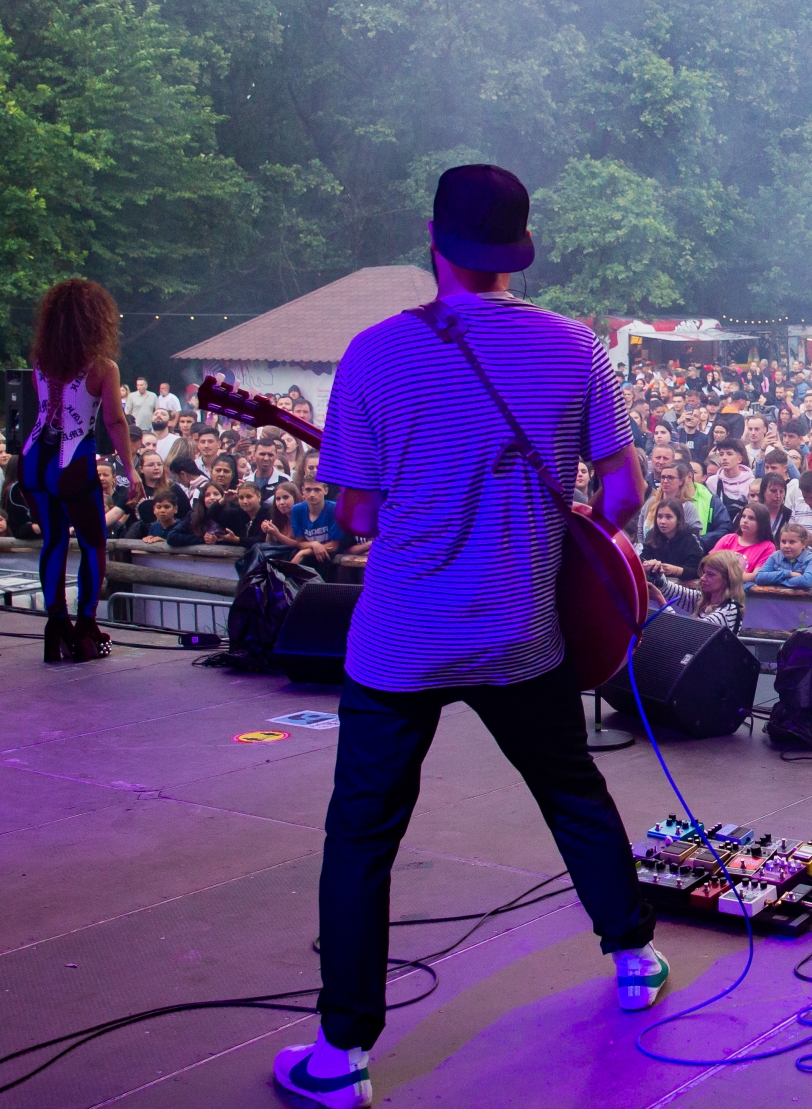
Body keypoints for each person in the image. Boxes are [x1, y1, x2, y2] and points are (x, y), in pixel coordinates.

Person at [280, 164, 661, 1109]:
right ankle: (636, 956)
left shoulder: (372, 354)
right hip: (521, 631)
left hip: (400, 641)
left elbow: (359, 514)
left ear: (433, 236)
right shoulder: (578, 350)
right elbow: (621, 495)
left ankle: (343, 1056)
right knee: (571, 790)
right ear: (519, 249)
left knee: (361, 836)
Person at [20, 279, 134, 663]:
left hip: (34, 459)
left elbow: (43, 409)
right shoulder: (103, 367)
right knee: (92, 544)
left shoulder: (40, 360)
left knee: (53, 542)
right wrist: (129, 470)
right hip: (73, 459)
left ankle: (56, 627)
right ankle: (86, 626)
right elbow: (115, 421)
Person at [652, 550, 746, 631]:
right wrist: (657, 573)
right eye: (704, 573)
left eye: (710, 574)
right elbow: (670, 589)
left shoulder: (730, 609)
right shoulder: (705, 600)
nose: (703, 578)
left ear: (728, 578)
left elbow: (692, 636)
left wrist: (660, 600)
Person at [640, 501, 705, 583]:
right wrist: (649, 564)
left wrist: (675, 570)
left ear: (678, 520)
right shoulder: (652, 535)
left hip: (686, 586)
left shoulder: (690, 536)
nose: (662, 521)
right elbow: (643, 558)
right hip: (659, 583)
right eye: (659, 517)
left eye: (668, 517)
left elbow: (699, 570)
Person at [712, 503, 777, 578]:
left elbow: (757, 576)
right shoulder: (728, 539)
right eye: (743, 516)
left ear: (762, 523)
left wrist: (726, 577)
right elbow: (709, 564)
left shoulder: (768, 547)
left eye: (751, 518)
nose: (745, 521)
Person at [751, 522, 812, 589]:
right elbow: (759, 577)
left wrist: (776, 582)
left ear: (803, 544)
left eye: (792, 542)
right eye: (783, 542)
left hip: (806, 601)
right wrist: (788, 574)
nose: (786, 546)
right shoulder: (775, 556)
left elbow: (807, 581)